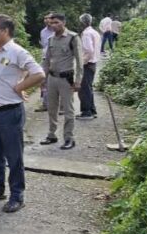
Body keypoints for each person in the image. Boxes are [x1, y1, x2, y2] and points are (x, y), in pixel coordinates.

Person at [0, 14, 45, 213]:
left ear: (5, 31)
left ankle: (17, 196)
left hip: (9, 113)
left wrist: (21, 86)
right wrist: (19, 81)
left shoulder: (17, 51)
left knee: (14, 156)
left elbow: (39, 73)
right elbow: (3, 74)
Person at [40, 13, 84, 149]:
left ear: (64, 23)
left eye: (56, 23)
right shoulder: (51, 39)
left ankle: (69, 138)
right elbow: (47, 60)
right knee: (51, 108)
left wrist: (78, 80)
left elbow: (79, 61)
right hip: (52, 78)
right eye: (52, 23)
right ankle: (51, 135)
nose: (53, 25)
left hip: (66, 79)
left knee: (68, 110)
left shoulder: (73, 38)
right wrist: (43, 78)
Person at [77, 14, 101, 120]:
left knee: (84, 89)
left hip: (87, 64)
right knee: (88, 87)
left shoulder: (86, 34)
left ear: (82, 22)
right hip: (93, 63)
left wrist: (82, 63)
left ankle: (86, 112)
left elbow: (89, 50)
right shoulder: (95, 32)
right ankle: (92, 110)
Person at [35, 14, 55, 112]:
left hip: (56, 59)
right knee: (43, 81)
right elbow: (44, 46)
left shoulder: (57, 30)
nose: (46, 20)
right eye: (45, 18)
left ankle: (60, 105)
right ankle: (45, 104)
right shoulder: (43, 32)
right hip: (45, 58)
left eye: (49, 18)